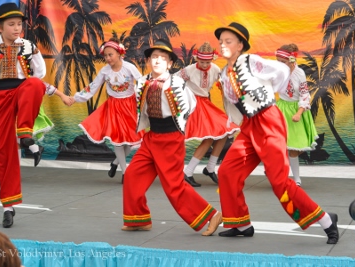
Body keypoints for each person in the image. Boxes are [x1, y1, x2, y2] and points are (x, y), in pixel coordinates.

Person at [214, 22, 339, 244]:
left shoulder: (251, 62)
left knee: (279, 181)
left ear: (240, 45)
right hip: (249, 126)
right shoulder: (225, 72)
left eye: (228, 41)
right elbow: (231, 103)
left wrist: (267, 94)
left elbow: (281, 71)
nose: (223, 45)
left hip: (268, 121)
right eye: (221, 41)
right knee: (227, 172)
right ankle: (240, 223)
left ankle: (326, 220)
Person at [122, 39, 222, 236]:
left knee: (173, 186)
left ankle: (212, 215)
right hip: (152, 138)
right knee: (133, 176)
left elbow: (191, 105)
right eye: (154, 57)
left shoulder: (178, 83)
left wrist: (180, 127)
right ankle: (138, 219)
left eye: (163, 58)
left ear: (169, 64)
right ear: (149, 61)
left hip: (170, 138)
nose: (157, 61)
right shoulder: (143, 82)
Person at [0, 3, 47, 228]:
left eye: (19, 24)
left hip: (22, 91)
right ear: (0, 27)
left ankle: (26, 133)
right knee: (3, 151)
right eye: (11, 24)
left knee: (35, 84)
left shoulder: (29, 46)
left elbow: (40, 74)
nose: (17, 28)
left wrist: (28, 84)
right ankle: (8, 207)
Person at [70, 38, 144, 182]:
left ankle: (115, 162)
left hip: (130, 106)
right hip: (114, 107)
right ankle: (125, 171)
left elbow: (142, 83)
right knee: (117, 140)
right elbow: (92, 87)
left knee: (132, 141)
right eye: (106, 55)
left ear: (119, 53)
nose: (108, 58)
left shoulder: (129, 67)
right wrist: (76, 98)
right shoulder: (105, 71)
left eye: (111, 54)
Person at [174, 42, 239, 187]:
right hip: (194, 104)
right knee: (209, 137)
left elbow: (226, 83)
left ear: (212, 59)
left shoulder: (215, 69)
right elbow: (173, 81)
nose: (204, 65)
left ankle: (210, 167)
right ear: (197, 59)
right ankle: (188, 171)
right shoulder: (189, 70)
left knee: (224, 131)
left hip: (205, 103)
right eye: (202, 62)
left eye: (207, 62)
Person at [275, 44, 318, 187]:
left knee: (295, 147)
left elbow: (305, 94)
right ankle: (281, 174)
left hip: (296, 109)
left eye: (283, 62)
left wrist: (299, 113)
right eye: (278, 61)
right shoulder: (276, 72)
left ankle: (296, 178)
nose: (279, 64)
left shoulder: (299, 73)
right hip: (281, 108)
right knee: (280, 145)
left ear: (292, 61)